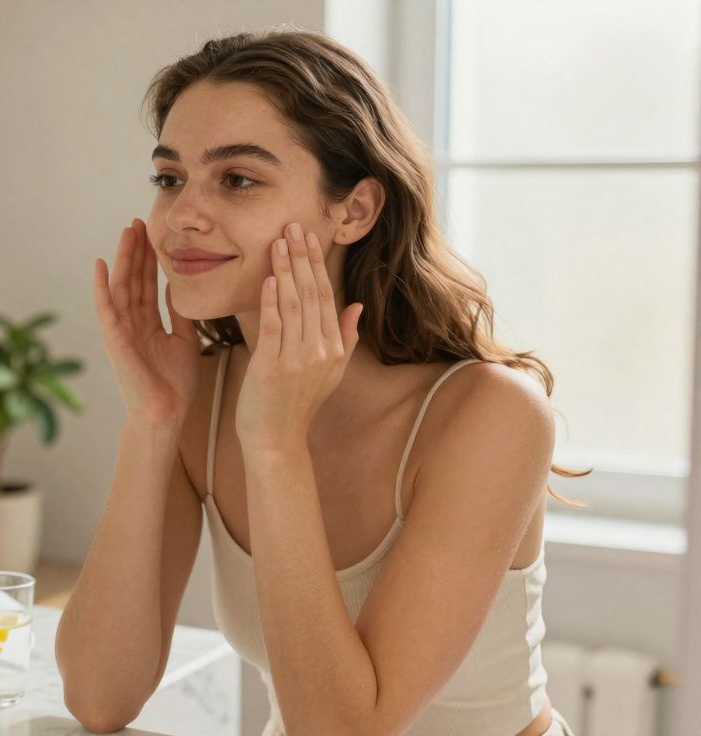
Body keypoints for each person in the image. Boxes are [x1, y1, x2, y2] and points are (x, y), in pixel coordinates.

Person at [56, 30, 585, 736]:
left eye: (238, 179)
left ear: (355, 210)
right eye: (169, 178)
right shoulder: (198, 401)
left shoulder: (492, 413)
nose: (183, 214)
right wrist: (153, 420)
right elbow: (99, 698)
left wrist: (274, 444)